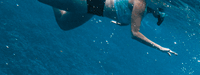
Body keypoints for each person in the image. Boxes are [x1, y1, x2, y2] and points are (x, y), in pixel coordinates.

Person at [38, 0, 176, 55]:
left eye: (161, 14)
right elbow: (135, 33)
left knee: (64, 23)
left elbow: (128, 15)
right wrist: (159, 47)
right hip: (92, 4)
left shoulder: (145, 10)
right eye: (160, 12)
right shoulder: (141, 4)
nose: (160, 14)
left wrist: (122, 21)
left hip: (94, 9)